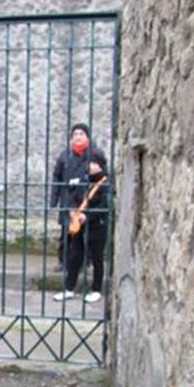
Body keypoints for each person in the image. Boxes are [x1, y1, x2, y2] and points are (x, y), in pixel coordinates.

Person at [50, 123, 109, 303]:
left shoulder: (104, 182)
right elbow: (67, 188)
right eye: (75, 133)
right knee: (74, 252)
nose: (91, 166)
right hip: (77, 217)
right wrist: (69, 208)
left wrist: (87, 216)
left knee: (97, 256)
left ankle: (96, 289)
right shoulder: (68, 160)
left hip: (96, 222)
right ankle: (69, 288)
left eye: (81, 133)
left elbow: (104, 204)